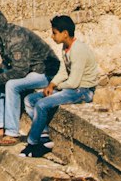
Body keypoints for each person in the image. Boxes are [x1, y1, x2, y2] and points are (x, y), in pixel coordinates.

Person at [21, 15, 101, 158]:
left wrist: (56, 88)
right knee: (29, 100)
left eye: (54, 33)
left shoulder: (78, 50)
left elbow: (74, 82)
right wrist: (52, 84)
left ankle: (32, 143)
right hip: (71, 88)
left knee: (41, 104)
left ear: (65, 33)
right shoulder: (66, 48)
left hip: (82, 91)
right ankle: (44, 138)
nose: (52, 36)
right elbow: (63, 71)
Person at [0, 7, 54, 136]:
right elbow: (8, 63)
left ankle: (12, 132)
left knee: (12, 85)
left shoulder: (16, 39)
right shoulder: (4, 38)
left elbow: (19, 72)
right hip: (30, 70)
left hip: (45, 72)